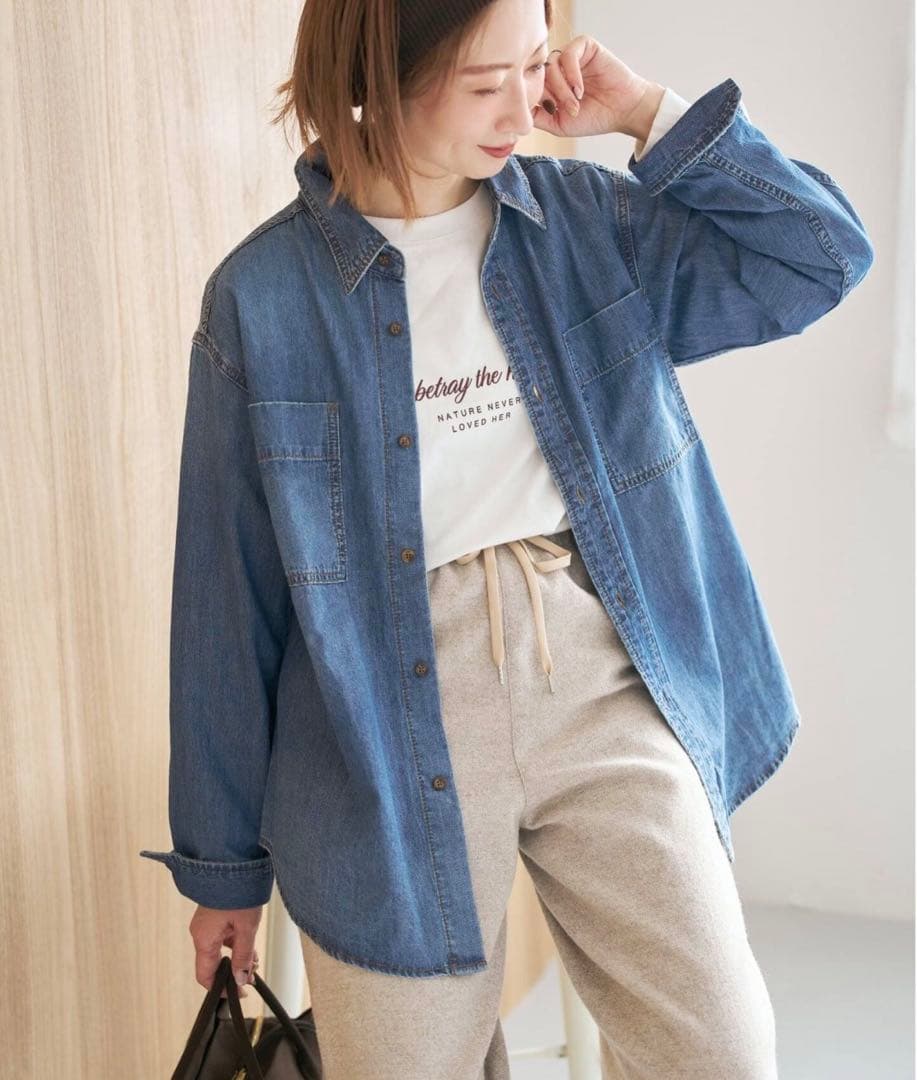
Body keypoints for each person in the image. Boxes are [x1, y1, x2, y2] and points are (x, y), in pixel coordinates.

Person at [140, 0, 875, 1076]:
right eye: (485, 84)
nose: (522, 108)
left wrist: (647, 114)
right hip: (377, 729)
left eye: (533, 67)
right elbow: (224, 595)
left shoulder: (586, 226)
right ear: (375, 81)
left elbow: (819, 258)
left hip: (599, 675)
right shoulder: (261, 301)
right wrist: (221, 870)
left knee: (720, 1051)